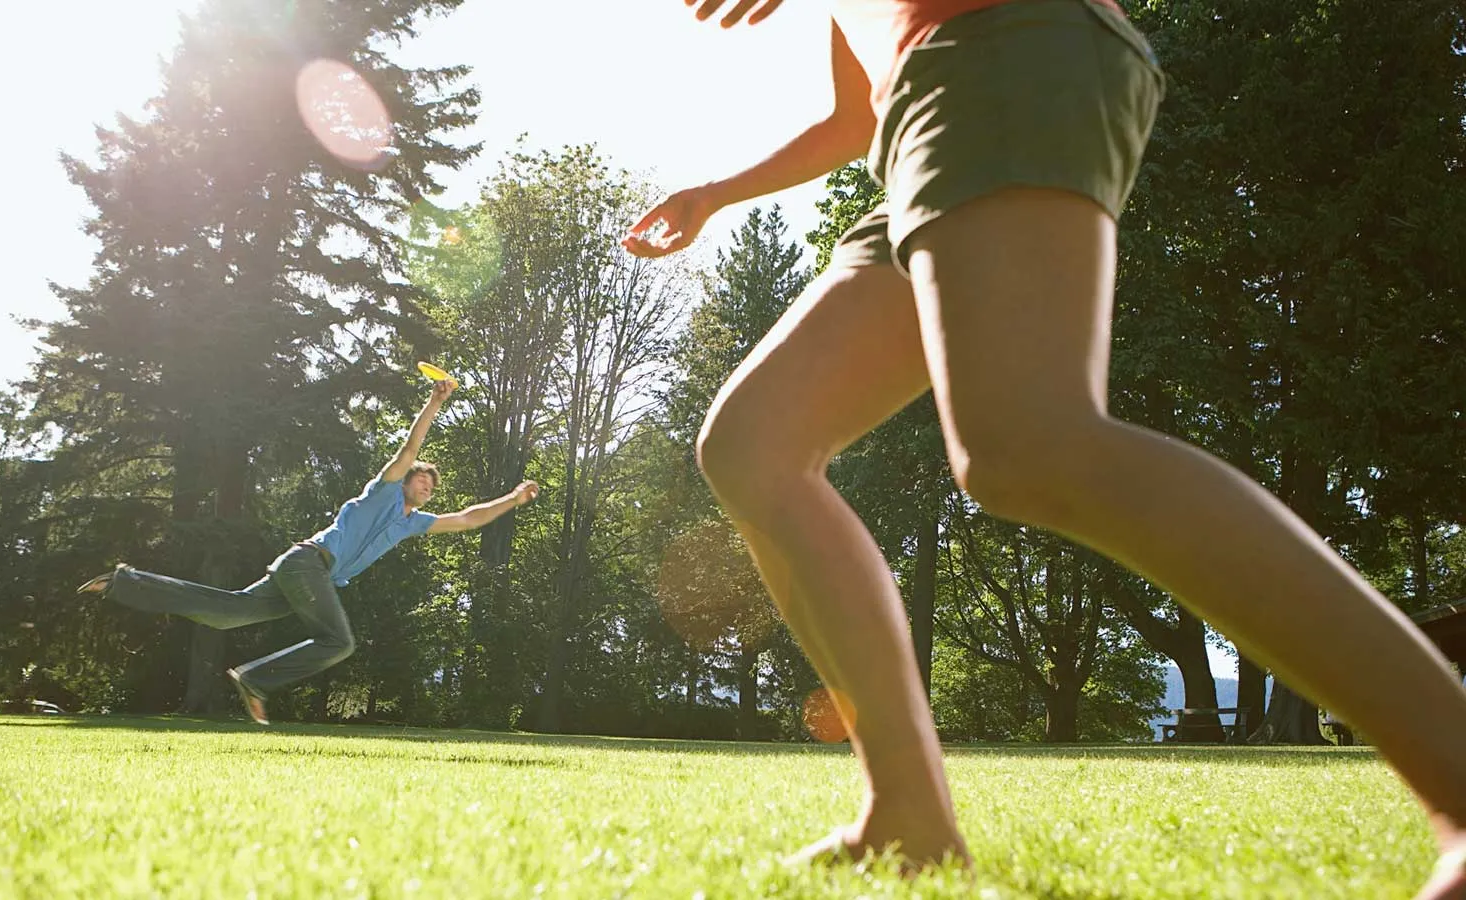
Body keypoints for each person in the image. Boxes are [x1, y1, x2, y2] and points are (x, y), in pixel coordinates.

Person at [622, 1, 1466, 895]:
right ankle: (905, 815)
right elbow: (853, 114)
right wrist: (715, 193)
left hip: (1004, 52)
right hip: (922, 114)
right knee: (755, 444)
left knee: (1028, 443)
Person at [77, 378, 539, 725]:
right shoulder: (383, 489)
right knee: (339, 642)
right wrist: (435, 402)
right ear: (408, 476)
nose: (428, 486)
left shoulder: (412, 523)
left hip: (303, 573)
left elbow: (469, 518)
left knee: (226, 613)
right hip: (307, 564)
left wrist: (512, 500)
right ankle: (256, 679)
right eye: (424, 478)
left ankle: (124, 582)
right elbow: (410, 447)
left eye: (434, 487)